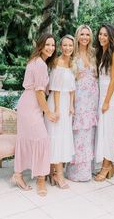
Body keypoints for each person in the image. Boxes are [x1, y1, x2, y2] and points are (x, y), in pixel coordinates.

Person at [12, 33, 57, 196]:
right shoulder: (40, 64)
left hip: (28, 104)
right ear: (40, 45)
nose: (51, 48)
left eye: (53, 45)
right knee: (41, 139)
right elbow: (39, 92)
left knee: (29, 139)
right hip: (31, 105)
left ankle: (18, 174)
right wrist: (48, 112)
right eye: (47, 45)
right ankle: (40, 179)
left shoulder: (37, 61)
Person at [66, 25, 99, 182]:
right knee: (79, 132)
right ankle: (76, 171)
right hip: (79, 97)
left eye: (87, 34)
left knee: (89, 132)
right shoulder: (73, 54)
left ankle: (87, 169)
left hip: (92, 98)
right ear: (77, 36)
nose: (85, 37)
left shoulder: (93, 54)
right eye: (82, 34)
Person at [45, 34, 75, 189]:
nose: (67, 48)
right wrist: (57, 110)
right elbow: (55, 88)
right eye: (64, 45)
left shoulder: (71, 63)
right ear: (60, 46)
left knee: (63, 138)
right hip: (56, 104)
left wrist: (71, 105)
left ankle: (52, 171)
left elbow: (71, 88)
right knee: (56, 137)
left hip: (65, 104)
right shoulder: (57, 61)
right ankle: (58, 175)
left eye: (70, 45)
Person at [94, 24, 114, 181]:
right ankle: (106, 163)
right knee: (103, 130)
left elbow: (113, 80)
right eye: (100, 34)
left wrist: (106, 101)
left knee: (108, 131)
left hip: (110, 97)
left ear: (110, 36)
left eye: (105, 35)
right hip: (102, 95)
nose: (102, 37)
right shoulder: (101, 52)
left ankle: (107, 165)